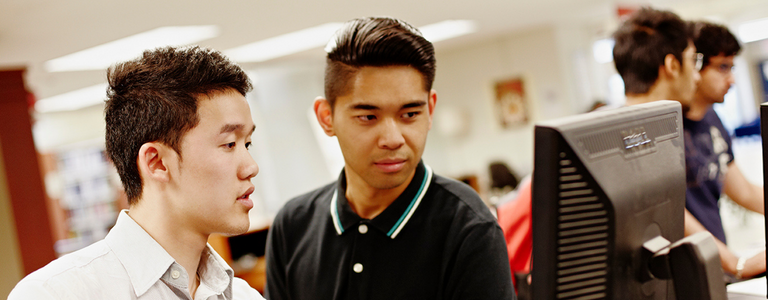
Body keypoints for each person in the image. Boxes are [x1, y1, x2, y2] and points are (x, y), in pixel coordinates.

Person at [264, 17, 515, 300]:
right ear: (326, 118)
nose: (393, 138)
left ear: (430, 110)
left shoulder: (470, 229)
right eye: (368, 117)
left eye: (409, 114)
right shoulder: (292, 225)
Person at [8, 46, 265, 300]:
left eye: (248, 144)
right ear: (157, 163)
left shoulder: (244, 296)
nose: (251, 167)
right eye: (229, 144)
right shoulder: (56, 293)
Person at [613, 8, 766, 279]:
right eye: (692, 62)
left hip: (709, 274)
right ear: (673, 65)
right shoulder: (628, 138)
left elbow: (742, 190)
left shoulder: (704, 121)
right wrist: (735, 264)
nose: (695, 76)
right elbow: (666, 211)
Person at [683, 21, 766, 280]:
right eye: (722, 67)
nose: (731, 79)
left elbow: (743, 191)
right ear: (694, 66)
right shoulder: (668, 127)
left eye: (731, 67)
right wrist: (735, 263)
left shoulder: (713, 119)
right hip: (686, 272)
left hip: (716, 268)